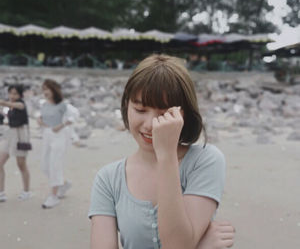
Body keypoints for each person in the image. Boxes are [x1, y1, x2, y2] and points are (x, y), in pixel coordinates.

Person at [89, 54, 235, 249]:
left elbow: (177, 245)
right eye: (140, 110)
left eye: (164, 114)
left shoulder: (205, 160)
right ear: (126, 107)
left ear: (185, 114)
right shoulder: (108, 179)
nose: (150, 124)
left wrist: (166, 155)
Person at [38, 79, 72, 209]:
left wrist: (61, 125)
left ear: (53, 90)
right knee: (44, 165)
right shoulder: (44, 104)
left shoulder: (63, 105)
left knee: (55, 164)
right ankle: (63, 184)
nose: (45, 92)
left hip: (59, 135)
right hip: (47, 135)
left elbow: (73, 117)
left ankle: (53, 196)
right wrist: (39, 120)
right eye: (43, 89)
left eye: (47, 89)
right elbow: (42, 117)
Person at [0, 85, 32, 202]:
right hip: (10, 135)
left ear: (20, 95)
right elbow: (11, 121)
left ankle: (26, 191)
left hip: (21, 136)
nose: (12, 96)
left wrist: (4, 103)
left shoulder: (21, 104)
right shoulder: (10, 107)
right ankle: (1, 193)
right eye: (10, 93)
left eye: (15, 94)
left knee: (21, 164)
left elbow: (15, 105)